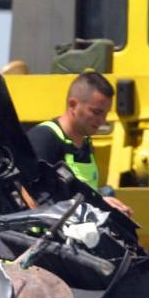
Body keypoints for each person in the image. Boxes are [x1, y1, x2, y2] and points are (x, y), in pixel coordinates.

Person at [26, 71, 133, 216]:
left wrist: (103, 204)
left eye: (106, 113)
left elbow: (81, 193)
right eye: (96, 112)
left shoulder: (86, 144)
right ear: (73, 105)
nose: (102, 121)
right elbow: (29, 201)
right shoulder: (44, 139)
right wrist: (95, 205)